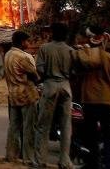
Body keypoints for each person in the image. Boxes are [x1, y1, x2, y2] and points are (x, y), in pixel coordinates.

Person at [73, 27, 110, 169]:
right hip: (107, 101)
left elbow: (76, 79)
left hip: (88, 100)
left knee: (91, 136)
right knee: (109, 136)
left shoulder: (82, 58)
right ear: (102, 40)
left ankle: (93, 164)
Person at [35, 22, 75, 169]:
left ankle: (41, 160)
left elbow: (40, 68)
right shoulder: (71, 50)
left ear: (52, 33)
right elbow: (74, 71)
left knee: (43, 124)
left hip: (50, 85)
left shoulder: (44, 48)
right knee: (66, 125)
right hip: (66, 86)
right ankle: (65, 160)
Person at [4, 30, 40, 167]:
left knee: (13, 126)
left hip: (13, 94)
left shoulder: (7, 55)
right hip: (26, 94)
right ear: (22, 42)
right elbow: (34, 74)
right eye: (27, 41)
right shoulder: (22, 57)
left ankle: (11, 155)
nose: (29, 44)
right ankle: (28, 157)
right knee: (28, 127)